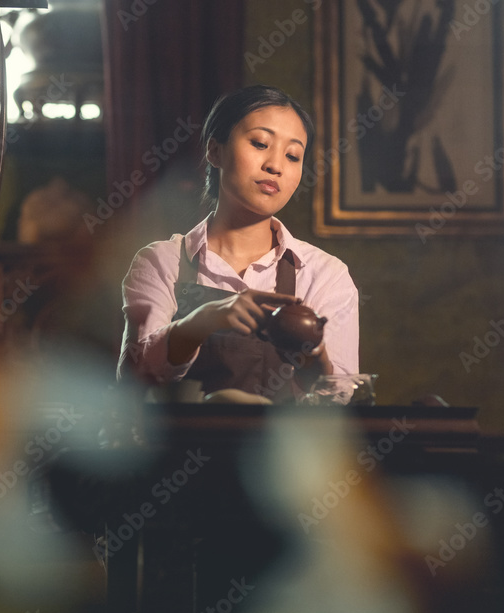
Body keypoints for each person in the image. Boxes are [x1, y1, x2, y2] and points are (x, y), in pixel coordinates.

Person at [117, 85, 358, 400]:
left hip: (278, 450)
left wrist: (311, 352)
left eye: (293, 155)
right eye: (260, 143)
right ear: (214, 151)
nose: (276, 165)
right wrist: (205, 319)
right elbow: (136, 378)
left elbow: (342, 400)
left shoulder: (326, 275)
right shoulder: (161, 261)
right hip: (178, 446)